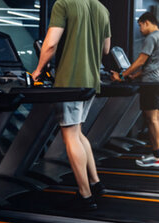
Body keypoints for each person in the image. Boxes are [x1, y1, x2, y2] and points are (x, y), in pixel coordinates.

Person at [32, 0, 111, 211]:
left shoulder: (64, 3)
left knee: (70, 136)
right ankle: (95, 183)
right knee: (77, 133)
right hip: (91, 81)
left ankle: (85, 196)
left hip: (70, 81)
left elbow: (50, 44)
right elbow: (106, 49)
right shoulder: (102, 9)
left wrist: (38, 70)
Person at [111, 12, 159, 167]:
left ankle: (157, 157)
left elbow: (140, 61)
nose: (140, 29)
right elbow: (152, 64)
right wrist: (134, 76)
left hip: (151, 83)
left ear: (147, 22)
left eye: (140, 25)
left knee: (152, 119)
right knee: (157, 118)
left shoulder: (151, 37)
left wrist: (122, 76)